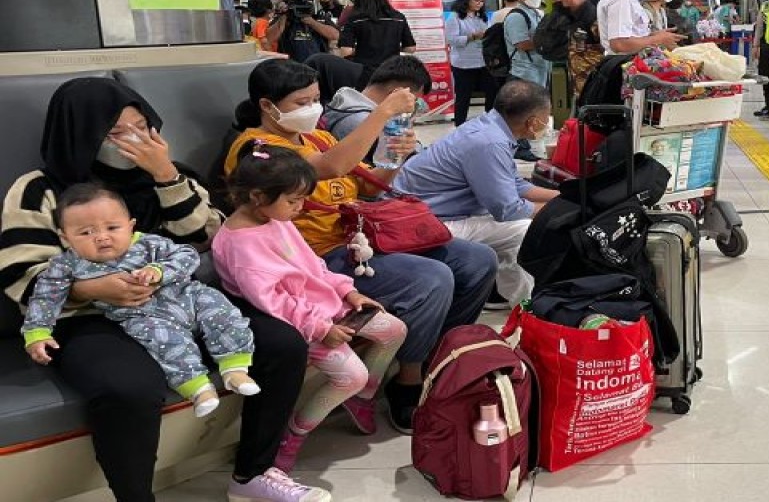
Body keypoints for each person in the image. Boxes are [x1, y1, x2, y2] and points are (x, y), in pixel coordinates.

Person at [0, 77, 320, 502]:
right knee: (129, 388)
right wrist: (92, 288)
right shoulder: (40, 188)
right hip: (88, 315)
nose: (133, 140)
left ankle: (253, 474)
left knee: (283, 344)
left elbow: (206, 236)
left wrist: (167, 176)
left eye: (142, 127)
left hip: (176, 301)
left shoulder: (169, 175)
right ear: (81, 132)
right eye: (115, 132)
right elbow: (19, 268)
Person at [223, 59, 498, 433]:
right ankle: (409, 381)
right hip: (316, 258)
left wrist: (396, 154)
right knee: (432, 277)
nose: (312, 109)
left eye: (315, 99)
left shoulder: (318, 136)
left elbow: (368, 185)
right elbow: (331, 168)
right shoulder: (256, 148)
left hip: (362, 238)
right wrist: (382, 113)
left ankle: (438, 357)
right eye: (301, 102)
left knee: (477, 259)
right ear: (268, 106)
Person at [215, 145, 406, 470]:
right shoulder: (239, 245)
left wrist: (348, 292)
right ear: (259, 196)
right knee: (352, 376)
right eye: (294, 201)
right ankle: (294, 433)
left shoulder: (275, 219)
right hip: (302, 326)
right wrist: (320, 328)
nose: (301, 208)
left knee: (394, 330)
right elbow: (273, 302)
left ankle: (362, 401)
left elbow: (313, 267)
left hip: (330, 308)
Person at [23, 183, 259, 418]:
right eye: (86, 232)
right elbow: (45, 296)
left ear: (130, 225)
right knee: (165, 343)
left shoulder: (149, 243)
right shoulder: (66, 265)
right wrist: (37, 333)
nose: (102, 237)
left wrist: (160, 270)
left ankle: (235, 367)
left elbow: (187, 255)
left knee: (222, 312)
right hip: (141, 314)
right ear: (65, 237)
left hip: (188, 296)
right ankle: (197, 388)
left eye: (112, 227)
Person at [395, 80, 559, 309]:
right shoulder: (489, 142)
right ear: (532, 122)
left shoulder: (490, 127)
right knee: (526, 228)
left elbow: (515, 184)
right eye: (546, 117)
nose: (546, 124)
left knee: (516, 233)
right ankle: (525, 304)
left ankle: (518, 300)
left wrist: (561, 196)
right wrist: (558, 210)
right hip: (428, 221)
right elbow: (507, 209)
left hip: (430, 211)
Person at [322, 54, 429, 161]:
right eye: (414, 101)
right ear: (398, 93)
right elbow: (413, 162)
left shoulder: (343, 104)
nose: (413, 107)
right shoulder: (367, 123)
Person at [504, 0, 551, 162]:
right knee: (521, 111)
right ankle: (519, 148)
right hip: (523, 72)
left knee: (531, 110)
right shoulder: (517, 16)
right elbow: (522, 43)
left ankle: (523, 145)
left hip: (538, 70)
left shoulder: (536, 14)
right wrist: (547, 41)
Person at [338, 0, 417, 78]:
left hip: (365, 73)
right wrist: (392, 48)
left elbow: (345, 51)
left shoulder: (354, 19)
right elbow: (410, 48)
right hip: (393, 72)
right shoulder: (398, 17)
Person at [446, 0, 494, 126]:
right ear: (467, 0)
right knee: (463, 97)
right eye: (476, 0)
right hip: (463, 64)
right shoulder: (455, 17)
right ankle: (460, 125)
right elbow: (451, 40)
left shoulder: (483, 17)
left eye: (482, 1)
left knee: (491, 92)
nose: (479, 4)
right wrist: (471, 37)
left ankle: (490, 122)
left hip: (483, 62)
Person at [547, 0, 602, 96]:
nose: (555, 3)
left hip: (593, 87)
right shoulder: (571, 17)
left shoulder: (592, 18)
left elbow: (607, 49)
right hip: (579, 87)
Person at [277, 0, 339, 64]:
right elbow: (269, 39)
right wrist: (283, 17)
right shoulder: (284, 18)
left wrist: (312, 22)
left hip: (318, 64)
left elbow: (335, 35)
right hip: (290, 65)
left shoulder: (319, 17)